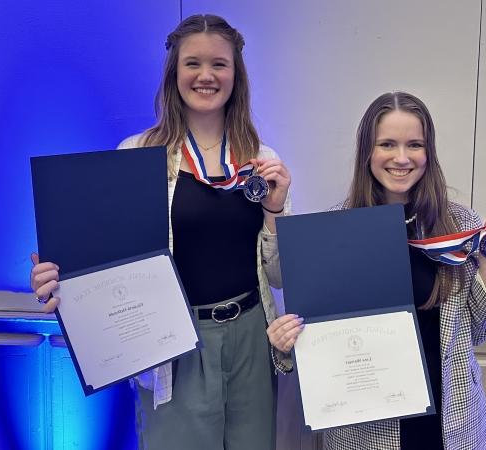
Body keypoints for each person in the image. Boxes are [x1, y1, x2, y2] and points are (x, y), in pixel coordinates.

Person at [30, 14, 292, 450]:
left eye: (219, 64)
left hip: (250, 335)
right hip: (173, 343)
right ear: (174, 73)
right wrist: (58, 281)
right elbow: (102, 259)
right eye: (193, 63)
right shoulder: (137, 155)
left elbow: (281, 275)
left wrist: (276, 208)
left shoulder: (261, 160)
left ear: (235, 75)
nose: (205, 75)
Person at [267, 91, 486, 450]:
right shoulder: (334, 229)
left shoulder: (460, 224)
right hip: (368, 429)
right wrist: (287, 342)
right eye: (387, 144)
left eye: (414, 144)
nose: (401, 158)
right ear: (368, 152)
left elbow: (475, 333)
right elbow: (321, 339)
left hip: (452, 422)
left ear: (429, 153)